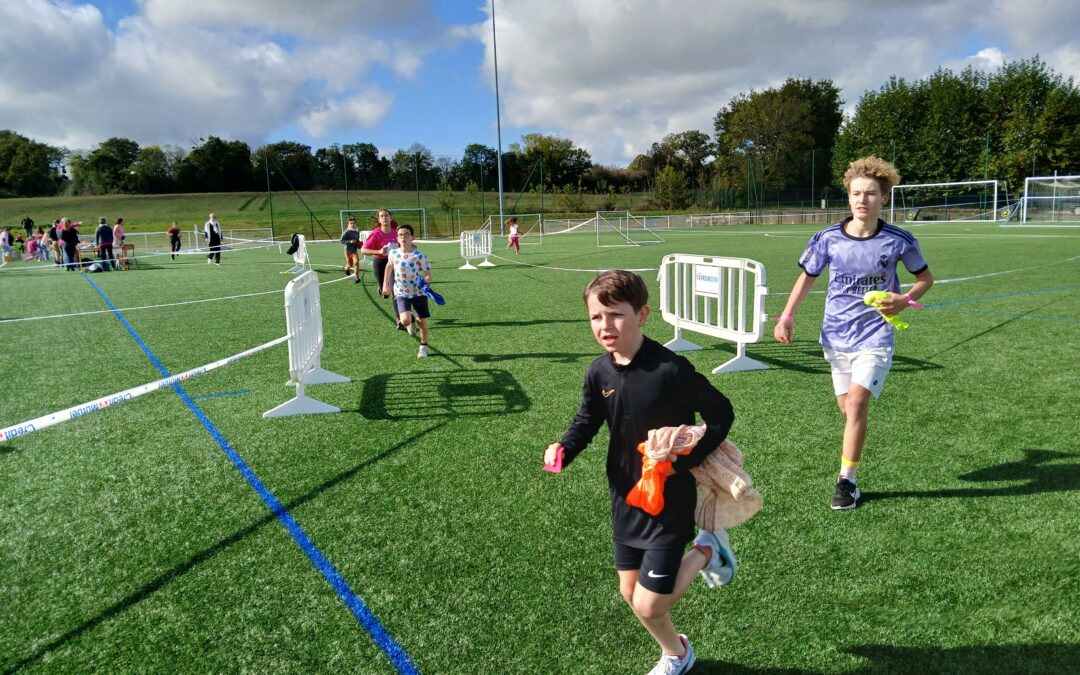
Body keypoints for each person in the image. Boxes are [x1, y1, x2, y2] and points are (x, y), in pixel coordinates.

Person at [543, 270, 737, 675]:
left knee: (651, 603)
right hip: (625, 493)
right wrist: (565, 447)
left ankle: (706, 551)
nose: (605, 326)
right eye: (596, 317)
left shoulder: (670, 369)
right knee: (629, 592)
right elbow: (588, 419)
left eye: (615, 315)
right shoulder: (599, 372)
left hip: (670, 496)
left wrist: (686, 458)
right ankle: (677, 655)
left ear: (642, 314)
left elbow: (721, 413)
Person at [773, 156, 934, 510]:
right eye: (856, 193)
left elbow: (925, 279)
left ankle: (847, 481)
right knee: (848, 409)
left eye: (871, 194)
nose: (863, 200)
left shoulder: (899, 240)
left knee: (858, 403)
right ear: (848, 198)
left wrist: (904, 300)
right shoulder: (827, 238)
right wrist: (786, 316)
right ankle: (854, 442)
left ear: (884, 199)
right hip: (834, 336)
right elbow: (807, 277)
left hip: (875, 336)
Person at [382, 224, 433, 358]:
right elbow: (389, 267)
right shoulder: (393, 253)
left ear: (412, 237)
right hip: (401, 292)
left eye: (406, 234)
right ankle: (410, 320)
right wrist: (385, 285)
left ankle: (423, 346)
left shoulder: (419, 255)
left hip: (418, 292)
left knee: (422, 322)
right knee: (404, 321)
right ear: (397, 238)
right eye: (400, 235)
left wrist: (425, 282)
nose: (403, 237)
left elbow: (428, 274)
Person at [361, 208, 399, 323]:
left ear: (390, 217)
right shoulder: (376, 233)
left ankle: (399, 318)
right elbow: (363, 250)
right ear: (379, 219)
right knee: (385, 294)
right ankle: (381, 287)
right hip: (380, 262)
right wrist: (378, 251)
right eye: (382, 216)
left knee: (395, 290)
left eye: (386, 215)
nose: (384, 218)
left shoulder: (396, 232)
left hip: (393, 263)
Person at [340, 217, 363, 284]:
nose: (352, 224)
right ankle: (346, 268)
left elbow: (357, 240)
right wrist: (350, 241)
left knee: (356, 263)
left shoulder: (357, 231)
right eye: (351, 223)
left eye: (353, 223)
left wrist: (359, 243)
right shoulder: (346, 232)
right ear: (348, 224)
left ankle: (357, 278)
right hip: (348, 251)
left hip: (354, 251)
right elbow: (341, 241)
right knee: (350, 264)